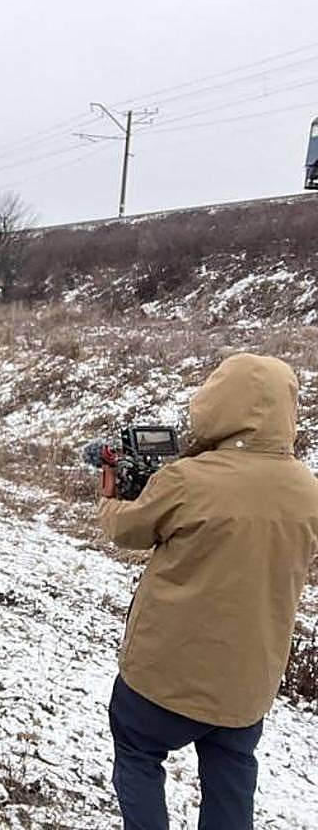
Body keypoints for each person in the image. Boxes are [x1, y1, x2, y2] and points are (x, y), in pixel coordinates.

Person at [98, 353, 318, 829]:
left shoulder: (187, 480)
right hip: (248, 684)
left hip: (164, 676)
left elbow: (126, 531)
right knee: (231, 777)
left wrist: (110, 494)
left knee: (137, 753)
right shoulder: (307, 489)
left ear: (218, 404)